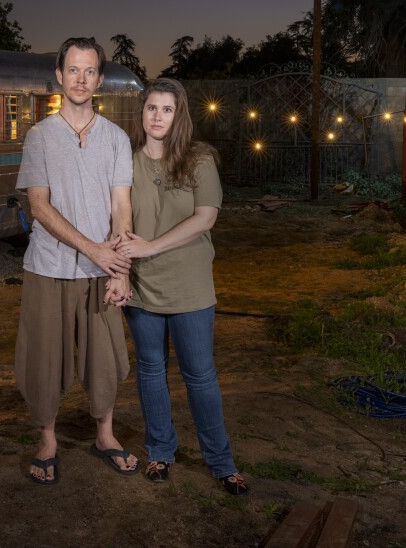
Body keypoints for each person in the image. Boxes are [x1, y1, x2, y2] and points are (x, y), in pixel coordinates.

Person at [14, 36, 140, 485]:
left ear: (99, 79)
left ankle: (104, 434)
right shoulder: (40, 137)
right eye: (73, 70)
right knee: (44, 358)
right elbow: (40, 207)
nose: (81, 79)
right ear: (59, 76)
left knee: (105, 360)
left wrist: (120, 267)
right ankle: (47, 439)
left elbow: (121, 206)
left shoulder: (117, 139)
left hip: (102, 271)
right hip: (48, 268)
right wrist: (96, 251)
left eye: (89, 71)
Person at [115, 78, 248, 495]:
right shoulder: (127, 161)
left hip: (190, 286)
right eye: (151, 108)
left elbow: (205, 217)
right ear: (142, 113)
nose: (157, 117)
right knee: (151, 372)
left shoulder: (199, 160)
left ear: (180, 115)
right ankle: (159, 452)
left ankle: (221, 462)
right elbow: (120, 215)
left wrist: (151, 245)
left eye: (167, 109)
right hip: (143, 288)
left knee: (200, 375)